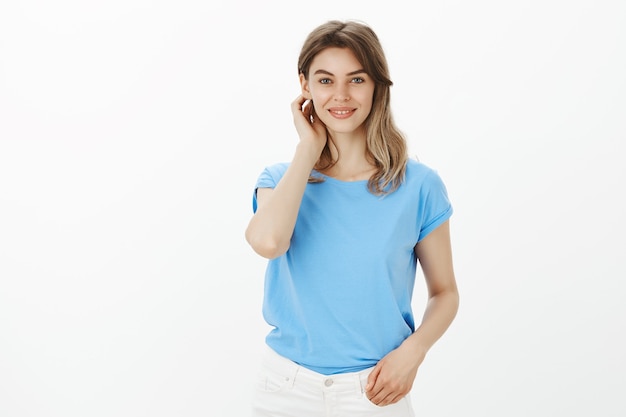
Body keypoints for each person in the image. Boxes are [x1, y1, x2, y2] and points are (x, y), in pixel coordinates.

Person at [245, 19, 459, 417]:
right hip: (284, 390)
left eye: (356, 80)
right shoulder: (279, 179)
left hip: (377, 388)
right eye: (325, 81)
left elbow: (445, 292)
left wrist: (413, 352)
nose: (340, 95)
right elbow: (270, 243)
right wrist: (308, 148)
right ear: (304, 86)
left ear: (377, 84)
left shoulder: (419, 186)